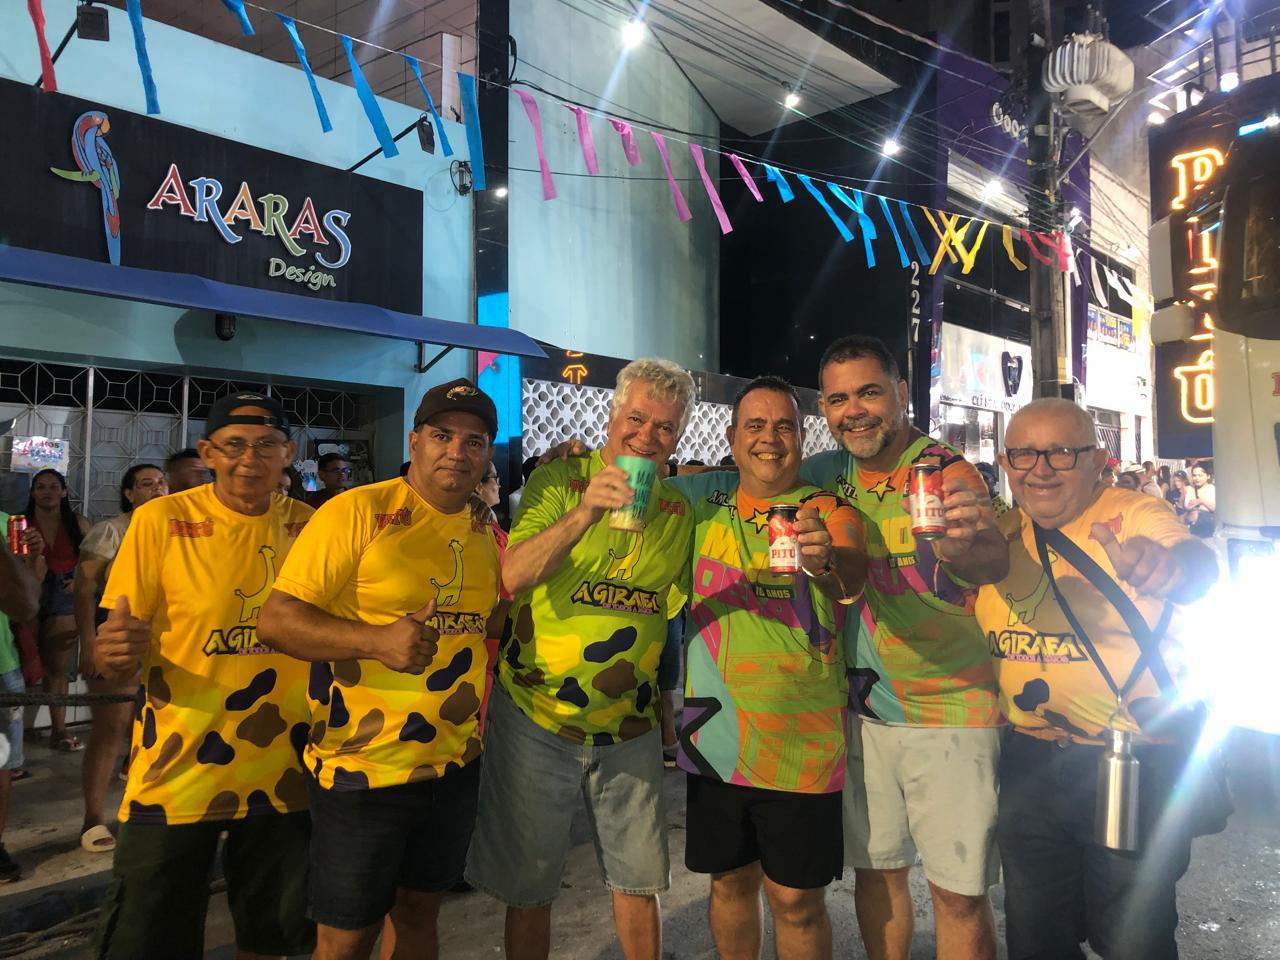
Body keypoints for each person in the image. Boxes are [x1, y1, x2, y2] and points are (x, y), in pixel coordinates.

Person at [257, 379, 503, 960]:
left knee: (419, 915)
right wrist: (375, 640)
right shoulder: (357, 511)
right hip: (362, 768)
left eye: (474, 441)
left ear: (487, 454)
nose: (457, 451)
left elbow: (485, 621)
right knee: (347, 937)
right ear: (414, 441)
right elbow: (276, 621)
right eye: (442, 435)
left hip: (453, 762)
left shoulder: (483, 528)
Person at [465, 358, 697, 960]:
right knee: (530, 887)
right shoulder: (559, 478)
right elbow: (512, 575)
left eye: (665, 426)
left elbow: (686, 596)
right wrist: (586, 510)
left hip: (630, 728)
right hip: (534, 717)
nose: (647, 435)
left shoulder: (679, 510)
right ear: (613, 416)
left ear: (679, 436)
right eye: (637, 418)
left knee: (639, 883)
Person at [975, 398, 1218, 960]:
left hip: (1133, 761)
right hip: (1031, 761)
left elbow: (1193, 563)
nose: (1040, 469)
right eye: (1024, 454)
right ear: (1005, 463)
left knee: (1132, 939)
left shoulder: (1131, 515)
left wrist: (1172, 569)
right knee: (1036, 937)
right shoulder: (1000, 536)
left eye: (1061, 452)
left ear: (1097, 460)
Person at [800, 335, 1008, 960]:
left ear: (900, 393)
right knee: (877, 874)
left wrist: (964, 549)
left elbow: (992, 558)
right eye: (838, 399)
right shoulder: (826, 474)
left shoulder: (945, 471)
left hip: (953, 711)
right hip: (864, 712)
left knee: (958, 895)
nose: (854, 412)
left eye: (868, 393)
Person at [92, 392, 315, 960]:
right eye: (234, 445)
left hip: (284, 769)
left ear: (288, 453)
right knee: (146, 937)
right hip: (176, 768)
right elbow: (114, 652)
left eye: (266, 445)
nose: (250, 459)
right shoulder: (161, 520)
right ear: (208, 453)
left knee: (275, 940)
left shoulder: (310, 527)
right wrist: (111, 653)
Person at [667, 376, 868, 960]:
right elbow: (639, 483)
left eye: (784, 426)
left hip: (803, 745)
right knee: (729, 884)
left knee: (797, 902)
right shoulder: (701, 497)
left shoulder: (828, 509)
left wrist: (825, 562)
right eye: (755, 425)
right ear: (732, 438)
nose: (769, 438)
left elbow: (851, 579)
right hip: (716, 739)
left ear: (801, 438)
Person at [72, 463, 168, 854]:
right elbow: (83, 591)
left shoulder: (176, 528)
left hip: (166, 642)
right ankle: (93, 817)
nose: (156, 489)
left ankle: (144, 810)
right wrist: (89, 644)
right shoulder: (111, 531)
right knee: (110, 728)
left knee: (154, 729)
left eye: (160, 482)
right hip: (116, 636)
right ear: (129, 493)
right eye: (146, 484)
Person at [24, 468, 92, 752]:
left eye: (54, 486)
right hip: (27, 593)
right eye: (41, 487)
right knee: (23, 665)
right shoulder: (20, 524)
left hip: (64, 596)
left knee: (56, 668)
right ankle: (15, 731)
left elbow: (99, 560)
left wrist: (80, 581)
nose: (47, 492)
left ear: (64, 492)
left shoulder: (77, 523)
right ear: (32, 493)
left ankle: (59, 729)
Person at [0, 514, 45, 882]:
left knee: (0, 765)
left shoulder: (5, 525)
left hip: (1, 665)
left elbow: (27, 603)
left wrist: (30, 560)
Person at [1184, 462, 1215, 537]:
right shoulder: (1187, 489)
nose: (1197, 478)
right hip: (1190, 532)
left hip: (1208, 532)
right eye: (1194, 475)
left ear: (1208, 476)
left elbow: (1217, 509)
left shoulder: (1213, 489)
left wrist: (1201, 501)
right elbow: (1181, 509)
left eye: (1200, 475)